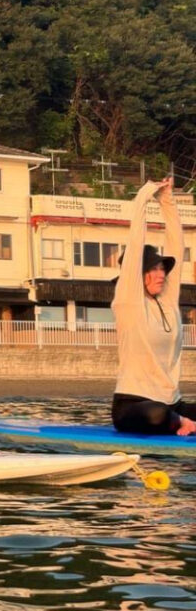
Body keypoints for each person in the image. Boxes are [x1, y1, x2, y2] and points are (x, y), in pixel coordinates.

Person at [111, 177, 196, 436]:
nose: (161, 274)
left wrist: (167, 201)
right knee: (158, 415)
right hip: (134, 404)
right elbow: (136, 244)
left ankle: (180, 420)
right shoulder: (128, 301)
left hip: (171, 401)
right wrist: (145, 196)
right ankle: (180, 423)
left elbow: (177, 246)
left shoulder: (166, 302)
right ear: (139, 273)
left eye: (162, 269)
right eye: (154, 269)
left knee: (167, 410)